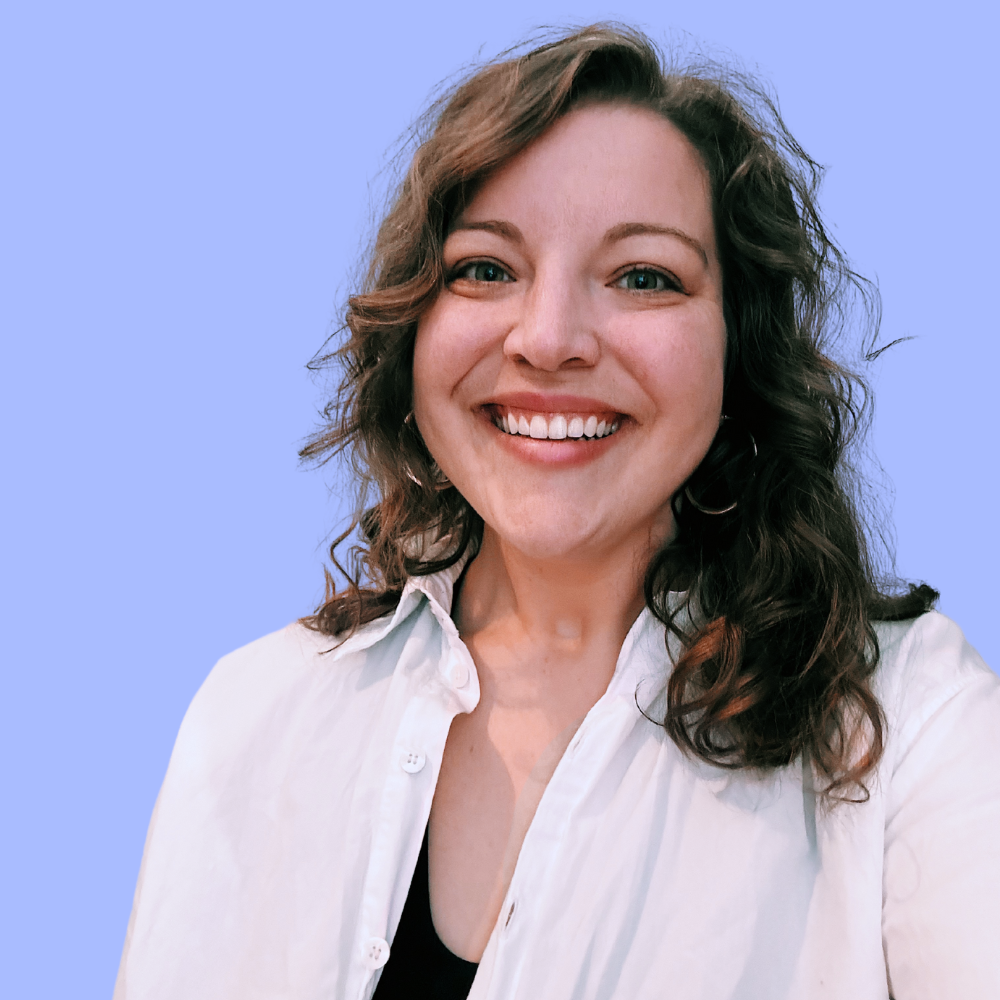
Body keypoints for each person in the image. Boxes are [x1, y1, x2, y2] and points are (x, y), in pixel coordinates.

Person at [113, 24, 1000, 1000]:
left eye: (643, 276)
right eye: (486, 268)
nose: (548, 338)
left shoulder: (911, 723)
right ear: (414, 331)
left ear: (737, 354)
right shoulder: (253, 716)